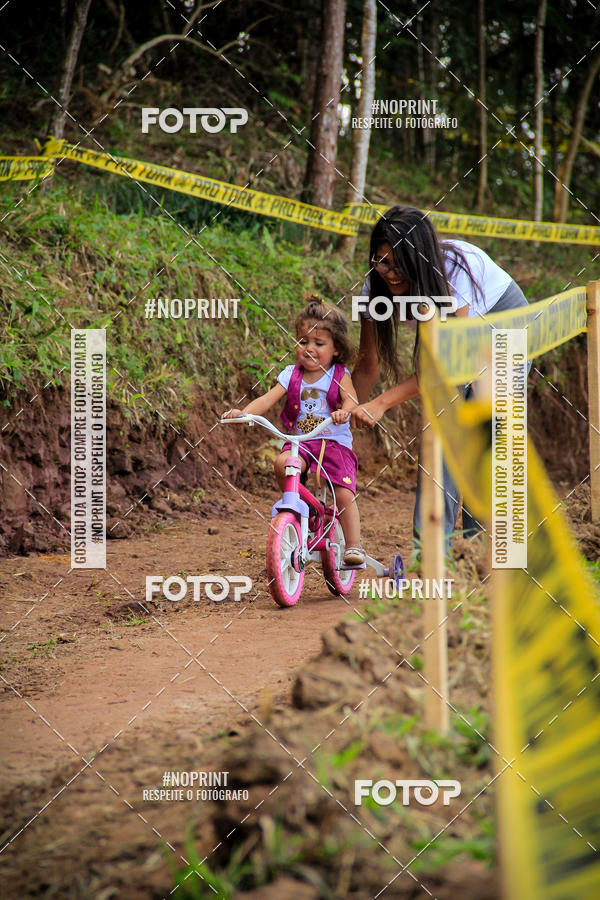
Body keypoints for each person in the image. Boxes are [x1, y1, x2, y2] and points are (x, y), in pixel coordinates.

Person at [351, 205, 530, 548]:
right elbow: (367, 365)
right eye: (382, 262)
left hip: (504, 325)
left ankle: (481, 551)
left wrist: (381, 403)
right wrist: (345, 411)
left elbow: (446, 368)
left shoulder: (455, 273)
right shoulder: (373, 287)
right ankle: (433, 553)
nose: (390, 273)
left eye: (400, 264)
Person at [224, 298, 364, 565]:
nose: (309, 348)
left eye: (318, 343)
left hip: (333, 442)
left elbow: (352, 400)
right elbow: (267, 399)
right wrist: (245, 413)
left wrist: (344, 411)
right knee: (282, 464)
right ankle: (304, 507)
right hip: (302, 442)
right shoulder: (291, 374)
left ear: (336, 349)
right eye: (303, 341)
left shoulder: (339, 374)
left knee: (343, 492)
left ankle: (354, 546)